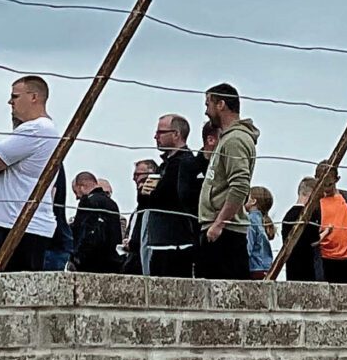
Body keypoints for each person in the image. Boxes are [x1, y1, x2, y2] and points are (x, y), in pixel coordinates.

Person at [0, 76, 61, 271]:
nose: (10, 102)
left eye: (15, 96)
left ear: (34, 97)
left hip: (19, 226)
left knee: (13, 285)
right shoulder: (39, 130)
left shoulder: (37, 129)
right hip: (15, 223)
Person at [196, 84, 258, 280]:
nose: (206, 112)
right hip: (220, 230)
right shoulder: (228, 138)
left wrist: (219, 224)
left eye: (208, 104)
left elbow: (240, 185)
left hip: (225, 234)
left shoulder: (235, 140)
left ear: (221, 104)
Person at [137, 117, 201, 277]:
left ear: (176, 134)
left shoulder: (185, 163)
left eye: (160, 132)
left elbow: (168, 197)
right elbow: (146, 201)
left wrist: (151, 194)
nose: (155, 136)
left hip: (178, 244)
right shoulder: (165, 164)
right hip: (160, 242)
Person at [68, 171, 123, 273]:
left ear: (81, 187)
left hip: (90, 264)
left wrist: (76, 258)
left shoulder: (87, 202)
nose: (77, 197)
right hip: (111, 263)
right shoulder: (112, 204)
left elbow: (82, 232)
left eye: (76, 192)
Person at [281, 177, 320, 282]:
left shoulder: (288, 215)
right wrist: (327, 232)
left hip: (291, 266)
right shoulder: (308, 216)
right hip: (307, 267)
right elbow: (314, 241)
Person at [245, 186, 275, 279]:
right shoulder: (263, 220)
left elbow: (248, 246)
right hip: (266, 268)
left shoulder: (250, 220)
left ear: (253, 201)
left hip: (254, 267)